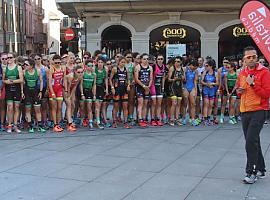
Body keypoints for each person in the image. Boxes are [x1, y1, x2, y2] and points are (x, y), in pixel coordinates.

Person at [236, 46, 270, 184]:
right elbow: (239, 91)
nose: (251, 59)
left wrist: (253, 84)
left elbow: (267, 94)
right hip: (245, 110)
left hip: (259, 109)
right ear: (244, 59)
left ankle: (251, 172)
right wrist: (239, 91)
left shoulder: (264, 72)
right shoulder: (242, 73)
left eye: (254, 57)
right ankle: (261, 168)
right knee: (253, 140)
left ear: (257, 57)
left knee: (250, 141)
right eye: (248, 57)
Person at [22, 59, 46, 133]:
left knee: (37, 110)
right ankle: (30, 126)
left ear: (31, 66)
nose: (24, 66)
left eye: (26, 65)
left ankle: (40, 126)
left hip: (35, 92)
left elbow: (41, 81)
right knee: (28, 110)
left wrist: (41, 91)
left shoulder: (38, 71)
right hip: (27, 93)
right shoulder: (23, 72)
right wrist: (22, 92)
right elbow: (21, 83)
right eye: (24, 64)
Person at [2, 53, 24, 133]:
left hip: (17, 89)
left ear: (14, 58)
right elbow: (3, 80)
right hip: (9, 90)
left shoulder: (18, 67)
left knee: (16, 107)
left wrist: (12, 81)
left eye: (10, 57)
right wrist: (6, 81)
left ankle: (15, 125)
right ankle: (10, 125)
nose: (9, 59)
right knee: (10, 107)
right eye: (7, 58)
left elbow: (21, 80)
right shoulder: (5, 68)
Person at [110, 56, 131, 129]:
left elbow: (128, 79)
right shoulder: (115, 69)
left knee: (125, 106)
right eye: (122, 62)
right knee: (116, 106)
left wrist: (128, 85)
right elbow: (110, 79)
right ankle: (114, 121)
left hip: (124, 89)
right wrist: (112, 87)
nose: (123, 64)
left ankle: (125, 122)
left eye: (124, 62)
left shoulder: (126, 69)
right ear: (118, 62)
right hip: (117, 89)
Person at [48, 54, 66, 133]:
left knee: (59, 107)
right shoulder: (51, 69)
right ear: (53, 63)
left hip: (59, 89)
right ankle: (55, 124)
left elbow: (64, 79)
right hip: (53, 89)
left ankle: (58, 123)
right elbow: (49, 83)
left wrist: (65, 90)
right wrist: (52, 93)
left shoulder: (63, 68)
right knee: (54, 107)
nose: (58, 64)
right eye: (56, 63)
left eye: (59, 63)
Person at [134, 53, 153, 128]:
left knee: (146, 104)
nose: (146, 60)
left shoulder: (150, 67)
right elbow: (136, 79)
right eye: (144, 59)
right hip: (140, 87)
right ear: (141, 59)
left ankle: (144, 118)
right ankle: (140, 119)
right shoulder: (138, 67)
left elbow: (151, 78)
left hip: (147, 87)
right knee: (140, 103)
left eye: (147, 59)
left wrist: (148, 86)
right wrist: (144, 86)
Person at [65, 65, 84, 132]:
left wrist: (71, 96)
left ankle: (69, 119)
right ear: (75, 72)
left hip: (71, 89)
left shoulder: (80, 77)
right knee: (69, 105)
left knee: (73, 104)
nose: (80, 74)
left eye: (81, 72)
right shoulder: (70, 76)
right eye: (78, 72)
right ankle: (70, 123)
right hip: (64, 88)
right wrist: (68, 95)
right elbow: (67, 86)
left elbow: (75, 87)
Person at [201, 58, 219, 126]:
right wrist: (207, 84)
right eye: (205, 65)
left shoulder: (215, 73)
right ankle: (205, 118)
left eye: (207, 65)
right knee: (206, 103)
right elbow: (202, 81)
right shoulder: (205, 72)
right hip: (206, 90)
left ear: (211, 66)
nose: (205, 67)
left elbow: (217, 83)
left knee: (211, 104)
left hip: (212, 90)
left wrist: (212, 84)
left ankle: (208, 118)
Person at [168, 56, 184, 126]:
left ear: (181, 62)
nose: (176, 63)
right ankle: (171, 119)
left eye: (178, 61)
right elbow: (168, 79)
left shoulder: (182, 69)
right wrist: (173, 79)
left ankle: (177, 118)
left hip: (179, 87)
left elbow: (184, 79)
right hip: (172, 87)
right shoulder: (172, 68)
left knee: (178, 104)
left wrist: (182, 78)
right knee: (174, 103)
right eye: (175, 61)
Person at [80, 60, 96, 130]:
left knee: (89, 107)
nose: (90, 67)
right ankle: (83, 119)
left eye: (91, 66)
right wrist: (82, 94)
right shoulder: (83, 74)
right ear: (86, 66)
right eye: (89, 66)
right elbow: (80, 84)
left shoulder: (94, 74)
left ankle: (90, 122)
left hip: (89, 91)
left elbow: (94, 85)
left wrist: (94, 95)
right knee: (82, 107)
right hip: (83, 91)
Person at [150, 54, 165, 126]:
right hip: (153, 86)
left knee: (159, 104)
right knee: (154, 103)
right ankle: (152, 119)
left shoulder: (164, 66)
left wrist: (163, 87)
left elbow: (163, 77)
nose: (160, 60)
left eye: (161, 59)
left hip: (159, 87)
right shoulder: (153, 66)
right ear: (156, 60)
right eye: (159, 59)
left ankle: (158, 119)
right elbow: (150, 77)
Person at [183, 59, 199, 126]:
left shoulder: (195, 71)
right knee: (185, 103)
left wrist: (196, 90)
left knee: (192, 103)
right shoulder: (185, 69)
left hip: (192, 87)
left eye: (196, 68)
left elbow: (195, 81)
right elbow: (183, 80)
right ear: (191, 65)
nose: (194, 69)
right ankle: (183, 118)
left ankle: (192, 119)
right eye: (194, 67)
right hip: (185, 86)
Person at [95, 56, 108, 129]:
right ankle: (97, 121)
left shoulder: (105, 69)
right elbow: (94, 80)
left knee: (100, 105)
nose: (100, 64)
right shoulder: (95, 69)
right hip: (95, 87)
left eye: (101, 62)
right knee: (97, 106)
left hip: (101, 88)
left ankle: (98, 119)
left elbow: (106, 79)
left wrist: (106, 88)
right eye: (99, 62)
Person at [0, 53, 7, 131]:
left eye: (6, 58)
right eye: (3, 59)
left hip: (5, 88)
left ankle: (3, 123)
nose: (5, 60)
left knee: (3, 106)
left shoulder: (9, 67)